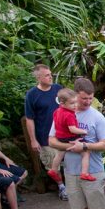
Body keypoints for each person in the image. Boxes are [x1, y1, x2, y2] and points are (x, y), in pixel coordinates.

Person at [48, 78, 105, 209]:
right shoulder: (61, 113)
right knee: (78, 206)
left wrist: (84, 146)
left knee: (96, 206)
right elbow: (51, 141)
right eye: (84, 98)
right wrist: (71, 147)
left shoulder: (97, 117)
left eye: (91, 98)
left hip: (93, 169)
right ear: (75, 95)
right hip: (71, 170)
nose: (88, 102)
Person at [24, 63, 67, 200]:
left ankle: (73, 186)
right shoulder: (32, 95)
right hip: (45, 137)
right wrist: (33, 140)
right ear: (39, 77)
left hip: (64, 134)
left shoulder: (58, 89)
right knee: (52, 164)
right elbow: (29, 119)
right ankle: (62, 187)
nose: (50, 77)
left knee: (70, 161)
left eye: (50, 74)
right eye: (47, 75)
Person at [46, 88, 95, 182]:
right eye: (72, 103)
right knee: (86, 152)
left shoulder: (57, 111)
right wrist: (83, 131)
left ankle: (53, 170)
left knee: (59, 154)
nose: (75, 105)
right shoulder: (69, 114)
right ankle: (84, 173)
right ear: (62, 103)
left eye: (75, 102)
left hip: (60, 137)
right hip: (70, 137)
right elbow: (72, 129)